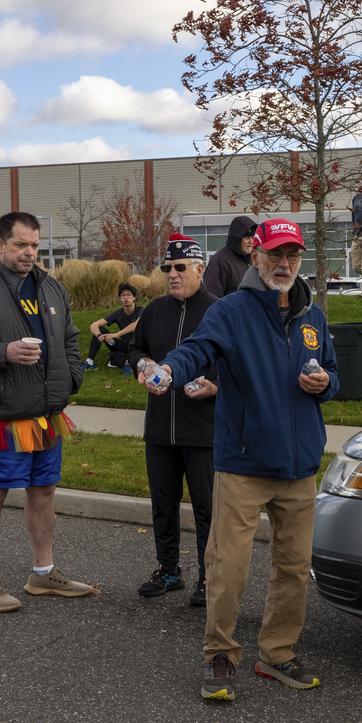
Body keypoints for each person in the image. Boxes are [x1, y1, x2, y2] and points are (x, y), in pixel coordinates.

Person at [150, 219, 339, 701]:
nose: (284, 264)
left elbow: (334, 374)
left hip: (299, 469)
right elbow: (199, 349)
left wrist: (326, 385)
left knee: (294, 569)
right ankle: (220, 652)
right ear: (255, 256)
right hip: (243, 464)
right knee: (228, 566)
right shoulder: (232, 311)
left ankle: (277, 653)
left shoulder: (312, 316)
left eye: (293, 255)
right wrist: (171, 369)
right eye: (275, 254)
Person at [0, 211, 96, 611]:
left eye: (34, 245)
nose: (29, 253)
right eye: (20, 245)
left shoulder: (50, 287)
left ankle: (42, 573)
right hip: (0, 417)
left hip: (47, 414)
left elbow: (71, 337)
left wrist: (71, 379)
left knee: (44, 490)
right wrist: (4, 352)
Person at [128, 237, 218, 606]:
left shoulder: (218, 310)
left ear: (200, 268)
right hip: (160, 427)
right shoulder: (154, 311)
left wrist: (217, 387)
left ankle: (210, 576)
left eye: (180, 268)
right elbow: (135, 348)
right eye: (167, 268)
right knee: (163, 502)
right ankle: (169, 570)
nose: (172, 275)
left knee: (207, 508)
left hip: (203, 429)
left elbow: (239, 364)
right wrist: (142, 364)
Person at [84, 283, 141, 372]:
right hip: (123, 345)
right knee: (101, 330)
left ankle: (128, 361)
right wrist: (99, 336)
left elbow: (136, 325)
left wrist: (116, 334)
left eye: (128, 295)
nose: (126, 298)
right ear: (120, 299)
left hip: (138, 345)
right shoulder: (117, 314)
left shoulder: (141, 311)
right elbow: (94, 325)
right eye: (123, 296)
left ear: (134, 297)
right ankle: (90, 362)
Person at [202, 215, 257, 297]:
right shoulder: (219, 262)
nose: (251, 241)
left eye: (253, 238)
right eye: (246, 238)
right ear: (237, 239)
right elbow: (212, 297)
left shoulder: (254, 259)